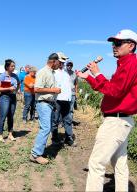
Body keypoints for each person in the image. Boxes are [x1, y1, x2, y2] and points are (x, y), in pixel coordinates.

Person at [76, 29, 137, 191]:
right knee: (120, 163)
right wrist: (89, 77)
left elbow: (116, 91)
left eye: (118, 43)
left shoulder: (130, 63)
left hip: (116, 121)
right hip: (122, 120)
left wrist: (97, 73)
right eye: (113, 43)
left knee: (96, 163)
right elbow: (110, 89)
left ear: (131, 45)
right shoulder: (125, 64)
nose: (113, 46)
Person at [30, 52, 64, 165]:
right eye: (60, 62)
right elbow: (37, 89)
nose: (61, 64)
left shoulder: (51, 72)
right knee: (45, 128)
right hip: (43, 103)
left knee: (46, 128)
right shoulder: (43, 72)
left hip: (49, 103)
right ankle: (36, 154)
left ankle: (38, 152)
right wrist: (53, 90)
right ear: (53, 61)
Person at [52, 53, 76, 147]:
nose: (63, 63)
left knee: (68, 119)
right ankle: (54, 138)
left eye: (64, 62)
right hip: (57, 99)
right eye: (61, 61)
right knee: (55, 120)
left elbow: (69, 86)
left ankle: (68, 138)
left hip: (66, 100)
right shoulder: (53, 73)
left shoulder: (66, 74)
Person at [0, 59, 20, 142]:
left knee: (11, 116)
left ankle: (10, 134)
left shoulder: (15, 76)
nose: (13, 67)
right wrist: (8, 88)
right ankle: (0, 135)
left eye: (14, 66)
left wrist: (16, 90)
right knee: (3, 116)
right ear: (7, 67)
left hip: (13, 97)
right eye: (12, 66)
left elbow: (18, 83)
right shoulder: (2, 76)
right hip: (4, 97)